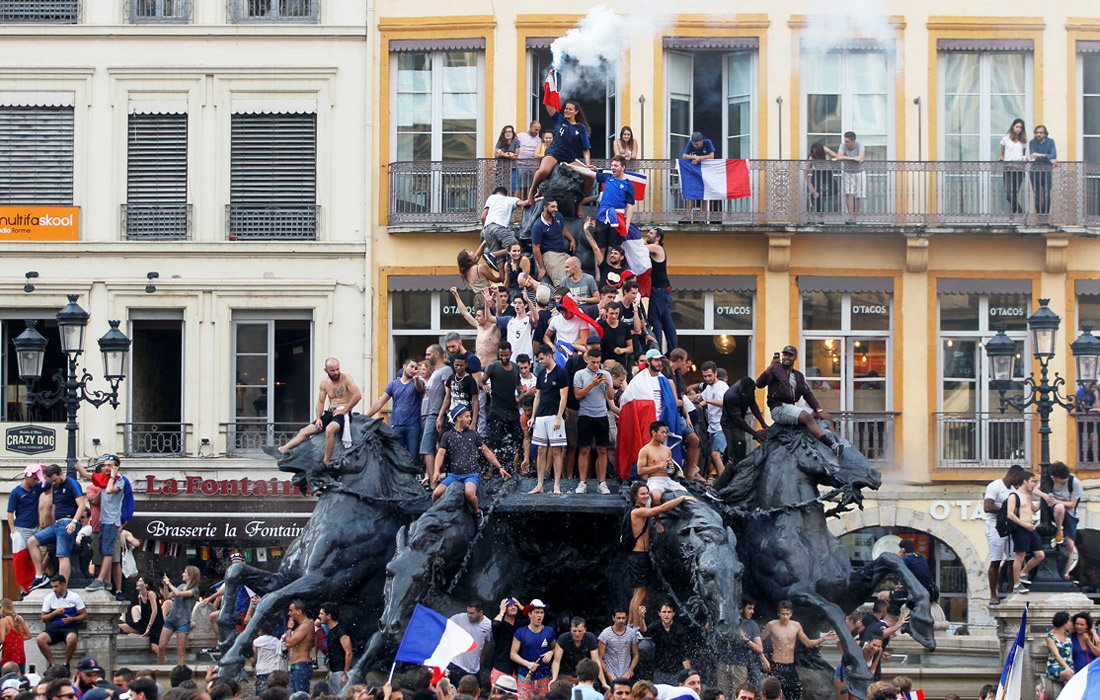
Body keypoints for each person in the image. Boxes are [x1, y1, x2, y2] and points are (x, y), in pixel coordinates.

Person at [625, 481, 697, 630]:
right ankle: (636, 628)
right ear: (635, 496)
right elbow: (661, 509)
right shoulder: (637, 512)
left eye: (647, 493)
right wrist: (681, 498)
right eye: (642, 494)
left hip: (640, 556)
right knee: (641, 592)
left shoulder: (638, 510)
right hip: (638, 556)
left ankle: (631, 624)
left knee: (639, 591)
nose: (646, 496)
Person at [266, 357, 362, 468]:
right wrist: (318, 418)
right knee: (304, 431)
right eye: (332, 370)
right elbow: (321, 402)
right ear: (326, 370)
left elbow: (357, 395)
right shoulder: (325, 383)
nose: (336, 372)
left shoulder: (346, 378)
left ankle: (326, 461)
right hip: (330, 413)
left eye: (337, 369)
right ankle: (281, 450)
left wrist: (346, 409)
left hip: (342, 413)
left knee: (330, 429)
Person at [756, 347, 842, 456]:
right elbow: (759, 384)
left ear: (795, 358)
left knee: (826, 416)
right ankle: (831, 445)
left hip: (793, 406)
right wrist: (770, 367)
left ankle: (837, 442)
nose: (787, 357)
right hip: (779, 407)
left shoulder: (798, 375)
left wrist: (819, 410)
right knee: (807, 417)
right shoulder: (775, 371)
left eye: (790, 355)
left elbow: (808, 394)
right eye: (785, 355)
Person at [432, 405, 509, 527]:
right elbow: (440, 454)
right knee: (436, 493)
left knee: (469, 493)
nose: (470, 419)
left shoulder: (473, 434)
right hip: (454, 475)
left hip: (471, 475)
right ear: (458, 418)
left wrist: (499, 467)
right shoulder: (447, 435)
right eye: (467, 416)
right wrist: (436, 471)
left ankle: (477, 512)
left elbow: (486, 451)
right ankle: (436, 514)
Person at [524, 91, 597, 217]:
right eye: (566, 108)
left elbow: (586, 149)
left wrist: (588, 164)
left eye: (570, 109)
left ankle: (579, 203)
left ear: (576, 112)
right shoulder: (559, 119)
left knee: (590, 177)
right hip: (554, 152)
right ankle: (531, 193)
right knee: (543, 171)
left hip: (569, 157)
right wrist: (549, 89)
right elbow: (548, 105)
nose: (567, 111)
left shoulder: (581, 128)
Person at [26, 464, 87, 590]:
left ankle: (62, 587)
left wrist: (74, 522)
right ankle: (39, 575)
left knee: (62, 555)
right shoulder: (54, 486)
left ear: (60, 474)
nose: (53, 483)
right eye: (51, 481)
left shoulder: (72, 484)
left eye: (55, 480)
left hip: (68, 522)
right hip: (57, 524)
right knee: (32, 542)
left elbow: (82, 505)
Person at [760, 601, 836, 700]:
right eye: (782, 614)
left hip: (790, 665)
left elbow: (808, 643)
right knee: (773, 693)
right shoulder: (771, 625)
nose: (785, 617)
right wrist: (763, 658)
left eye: (787, 614)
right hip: (776, 664)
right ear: (778, 613)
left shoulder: (796, 626)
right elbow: (759, 640)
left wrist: (824, 638)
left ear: (791, 613)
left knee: (795, 692)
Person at [711, 377, 768, 492]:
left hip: (738, 424)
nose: (744, 395)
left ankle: (735, 484)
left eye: (746, 394)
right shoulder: (732, 396)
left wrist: (763, 423)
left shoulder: (750, 390)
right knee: (734, 459)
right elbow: (738, 420)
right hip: (730, 425)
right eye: (742, 392)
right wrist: (755, 433)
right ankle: (716, 488)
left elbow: (753, 405)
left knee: (741, 456)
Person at [573, 347, 615, 495]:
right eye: (593, 362)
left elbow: (611, 396)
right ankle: (582, 482)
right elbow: (577, 395)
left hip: (601, 415)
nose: (596, 365)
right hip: (585, 415)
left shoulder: (606, 374)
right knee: (584, 449)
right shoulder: (580, 374)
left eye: (598, 362)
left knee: (602, 449)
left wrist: (607, 384)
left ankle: (602, 482)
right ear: (587, 360)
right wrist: (592, 384)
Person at [529, 345, 569, 495]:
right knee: (541, 449)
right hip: (541, 415)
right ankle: (540, 484)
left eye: (541, 359)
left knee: (556, 450)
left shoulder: (561, 372)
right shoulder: (541, 374)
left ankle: (556, 484)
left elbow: (564, 397)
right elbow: (537, 397)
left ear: (549, 356)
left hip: (554, 415)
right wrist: (533, 417)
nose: (540, 362)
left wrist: (559, 417)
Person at [364, 359, 424, 456]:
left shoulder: (418, 382)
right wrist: (365, 417)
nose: (413, 369)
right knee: (397, 456)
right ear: (404, 366)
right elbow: (380, 403)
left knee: (413, 455)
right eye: (411, 366)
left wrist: (416, 378)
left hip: (413, 425)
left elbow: (420, 389)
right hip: (397, 424)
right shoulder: (393, 384)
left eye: (416, 368)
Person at [984, 464, 1024, 605]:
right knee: (996, 560)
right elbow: (987, 506)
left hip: (1010, 528)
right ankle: (993, 594)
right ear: (1014, 475)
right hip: (995, 527)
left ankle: (1012, 592)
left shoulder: (1013, 491)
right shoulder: (995, 486)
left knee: (1013, 561)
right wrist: (1006, 510)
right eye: (1020, 478)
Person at [481, 342, 524, 473]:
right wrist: (484, 386)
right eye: (501, 355)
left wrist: (521, 392)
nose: (504, 358)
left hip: (512, 409)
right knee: (494, 441)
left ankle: (517, 468)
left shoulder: (516, 368)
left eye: (506, 355)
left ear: (510, 354)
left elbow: (518, 384)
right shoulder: (493, 367)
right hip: (497, 410)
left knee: (519, 439)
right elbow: (481, 381)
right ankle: (491, 470)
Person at [1041, 461, 1083, 581]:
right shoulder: (1049, 480)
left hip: (1069, 513)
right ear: (1054, 478)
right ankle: (1059, 530)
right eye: (1061, 481)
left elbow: (1073, 504)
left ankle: (1066, 573)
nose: (1062, 482)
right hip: (1055, 510)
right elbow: (1035, 491)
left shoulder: (1074, 482)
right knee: (1059, 507)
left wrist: (1056, 501)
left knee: (1070, 545)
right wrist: (1045, 496)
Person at [1007, 471, 1045, 593]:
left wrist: (1044, 498)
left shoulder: (1027, 496)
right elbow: (1010, 514)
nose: (1033, 484)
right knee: (1020, 557)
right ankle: (1017, 584)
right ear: (1025, 482)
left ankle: (1023, 573)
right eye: (1032, 481)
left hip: (1030, 528)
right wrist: (1024, 525)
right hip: (1021, 528)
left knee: (1040, 555)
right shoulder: (1014, 496)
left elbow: (1034, 509)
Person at [420, 345, 454, 482]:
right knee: (432, 447)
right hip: (426, 414)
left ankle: (433, 484)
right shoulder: (435, 371)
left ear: (437, 354)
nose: (426, 357)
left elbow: (448, 394)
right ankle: (435, 477)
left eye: (429, 354)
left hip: (434, 414)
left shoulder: (446, 370)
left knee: (426, 448)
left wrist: (440, 416)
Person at [37, 575, 86, 667]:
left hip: (69, 628)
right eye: (52, 587)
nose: (54, 589)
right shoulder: (49, 597)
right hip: (53, 628)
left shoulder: (74, 596)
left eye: (56, 586)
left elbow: (84, 615)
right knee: (40, 639)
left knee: (72, 639)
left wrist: (72, 619)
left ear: (64, 585)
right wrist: (54, 613)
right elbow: (43, 618)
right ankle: (52, 664)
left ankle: (66, 663)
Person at [510, 599, 555, 700]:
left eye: (542, 612)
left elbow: (556, 648)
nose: (539, 615)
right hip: (525, 676)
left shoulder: (549, 631)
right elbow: (513, 654)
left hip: (544, 676)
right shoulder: (520, 632)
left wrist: (551, 652)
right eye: (537, 612)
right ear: (530, 614)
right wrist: (527, 664)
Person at [593, 156, 637, 259]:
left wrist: (626, 226)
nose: (613, 167)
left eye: (616, 165)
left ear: (623, 167)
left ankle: (609, 268)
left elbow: (630, 207)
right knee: (600, 247)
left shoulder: (628, 185)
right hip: (603, 216)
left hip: (617, 217)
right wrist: (571, 167)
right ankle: (599, 269)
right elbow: (589, 173)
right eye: (612, 165)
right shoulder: (608, 177)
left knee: (612, 249)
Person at [693, 362, 730, 480]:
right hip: (712, 428)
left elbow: (725, 403)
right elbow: (698, 398)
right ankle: (721, 482)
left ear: (715, 373)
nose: (707, 379)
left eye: (709, 375)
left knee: (715, 454)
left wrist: (707, 401)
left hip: (722, 426)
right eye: (705, 376)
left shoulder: (722, 386)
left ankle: (723, 484)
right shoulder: (708, 388)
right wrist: (680, 398)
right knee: (712, 458)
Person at [159, 566, 199, 665]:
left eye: (185, 572)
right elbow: (167, 596)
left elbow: (179, 593)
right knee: (161, 646)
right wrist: (165, 586)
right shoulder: (181, 586)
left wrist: (169, 583)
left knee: (180, 650)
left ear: (191, 575)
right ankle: (159, 667)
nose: (182, 574)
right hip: (171, 619)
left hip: (183, 622)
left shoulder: (194, 590)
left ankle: (180, 669)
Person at [448, 601, 493, 687]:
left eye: (472, 613)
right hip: (457, 664)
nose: (468, 615)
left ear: (480, 612)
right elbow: (446, 626)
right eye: (468, 612)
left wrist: (480, 659)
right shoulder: (460, 618)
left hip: (473, 667)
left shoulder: (488, 625)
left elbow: (487, 642)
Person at [644, 228, 676, 353]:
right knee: (666, 321)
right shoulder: (656, 249)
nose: (648, 234)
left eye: (651, 233)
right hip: (661, 291)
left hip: (659, 291)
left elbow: (640, 249)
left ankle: (657, 351)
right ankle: (671, 350)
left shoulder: (657, 248)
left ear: (658, 238)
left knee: (655, 321)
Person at [531, 200, 575, 288]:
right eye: (553, 207)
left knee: (575, 272)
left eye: (556, 207)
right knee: (561, 283)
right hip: (550, 255)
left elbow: (563, 229)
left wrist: (572, 239)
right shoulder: (537, 226)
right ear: (545, 207)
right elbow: (536, 248)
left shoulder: (558, 216)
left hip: (563, 253)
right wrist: (542, 268)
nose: (556, 209)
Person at [119, 575, 163, 657]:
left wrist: (148, 628)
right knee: (120, 627)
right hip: (143, 624)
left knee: (154, 648)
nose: (137, 583)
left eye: (140, 581)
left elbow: (155, 611)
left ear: (146, 585)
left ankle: (165, 662)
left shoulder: (151, 594)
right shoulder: (140, 596)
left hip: (155, 625)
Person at [7, 465, 47, 555]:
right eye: (34, 479)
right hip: (22, 529)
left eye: (37, 479)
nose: (36, 481)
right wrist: (13, 531)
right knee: (23, 555)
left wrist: (45, 473)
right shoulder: (16, 492)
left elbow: (51, 481)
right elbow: (10, 512)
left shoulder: (37, 488)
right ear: (26, 476)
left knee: (43, 552)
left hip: (36, 528)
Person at [649, 602, 691, 685]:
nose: (666, 615)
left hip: (676, 671)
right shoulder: (655, 626)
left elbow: (684, 654)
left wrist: (689, 674)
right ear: (659, 613)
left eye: (669, 612)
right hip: (660, 670)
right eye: (664, 612)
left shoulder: (680, 630)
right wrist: (641, 619)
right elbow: (644, 633)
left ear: (673, 613)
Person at [550, 617, 601, 686]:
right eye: (574, 631)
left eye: (580, 631)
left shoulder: (590, 638)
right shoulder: (563, 638)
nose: (577, 634)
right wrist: (554, 678)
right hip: (567, 675)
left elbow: (596, 660)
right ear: (570, 630)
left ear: (585, 630)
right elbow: (556, 661)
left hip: (585, 675)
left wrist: (603, 682)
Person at [481, 187, 527, 261]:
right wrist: (537, 199)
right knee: (516, 247)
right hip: (499, 227)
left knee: (499, 260)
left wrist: (484, 229)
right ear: (506, 194)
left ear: (495, 192)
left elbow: (483, 217)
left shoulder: (491, 198)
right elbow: (524, 203)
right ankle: (493, 254)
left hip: (487, 229)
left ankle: (495, 256)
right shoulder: (510, 199)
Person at [439, 354, 479, 435]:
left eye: (461, 365)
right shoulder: (451, 378)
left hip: (465, 415)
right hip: (451, 415)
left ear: (466, 365)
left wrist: (474, 421)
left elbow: (475, 401)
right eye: (456, 365)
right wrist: (440, 417)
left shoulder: (470, 380)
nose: (458, 367)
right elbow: (447, 398)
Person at [317, 604, 352, 695]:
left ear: (329, 616)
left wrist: (345, 674)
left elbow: (349, 653)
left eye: (321, 614)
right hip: (334, 671)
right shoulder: (331, 631)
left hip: (340, 671)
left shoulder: (341, 631)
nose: (319, 616)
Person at [597, 608, 639, 682]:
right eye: (618, 618)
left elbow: (636, 655)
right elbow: (599, 656)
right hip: (610, 672)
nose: (621, 620)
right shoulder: (605, 634)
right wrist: (607, 673)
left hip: (626, 673)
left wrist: (629, 672)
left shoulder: (631, 633)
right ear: (613, 618)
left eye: (623, 618)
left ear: (626, 618)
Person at [283, 600, 315, 694]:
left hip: (301, 665)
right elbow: (313, 643)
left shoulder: (306, 625)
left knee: (300, 696)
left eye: (291, 611)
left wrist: (289, 628)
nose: (289, 614)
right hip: (297, 665)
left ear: (299, 611)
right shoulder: (303, 625)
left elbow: (289, 643)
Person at [834, 131, 865, 225]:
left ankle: (855, 218)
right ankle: (851, 217)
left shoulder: (860, 145)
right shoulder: (842, 146)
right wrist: (853, 158)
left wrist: (845, 158)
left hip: (859, 173)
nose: (845, 143)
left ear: (853, 141)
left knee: (858, 196)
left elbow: (861, 158)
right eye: (845, 141)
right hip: (847, 172)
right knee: (848, 194)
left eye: (847, 141)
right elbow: (839, 157)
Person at [491, 599, 525, 683]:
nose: (513, 607)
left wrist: (522, 607)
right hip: (501, 667)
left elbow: (533, 619)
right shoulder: (501, 625)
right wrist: (501, 611)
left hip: (514, 670)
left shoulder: (519, 625)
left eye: (515, 605)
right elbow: (495, 624)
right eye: (510, 606)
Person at [999, 118, 1028, 215]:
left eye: (1021, 127)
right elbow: (1002, 151)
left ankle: (1013, 214)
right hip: (1008, 169)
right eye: (1017, 126)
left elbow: (1023, 154)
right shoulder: (1006, 138)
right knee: (1009, 195)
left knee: (1015, 194)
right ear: (1013, 127)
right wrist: (1001, 156)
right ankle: (1020, 211)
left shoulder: (1023, 141)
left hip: (1019, 170)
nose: (1018, 129)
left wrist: (1025, 158)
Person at [682, 132, 715, 216]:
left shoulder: (707, 142)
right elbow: (684, 156)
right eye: (694, 144)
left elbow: (711, 156)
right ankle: (687, 216)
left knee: (705, 193)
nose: (695, 146)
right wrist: (695, 158)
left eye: (696, 144)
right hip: (694, 171)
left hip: (705, 171)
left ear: (701, 141)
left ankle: (703, 216)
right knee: (691, 192)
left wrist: (700, 158)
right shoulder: (690, 143)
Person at [1029, 125, 1057, 216]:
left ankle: (1045, 215)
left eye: (1040, 133)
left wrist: (1041, 155)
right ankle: (1039, 215)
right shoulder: (1032, 142)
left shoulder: (1050, 141)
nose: (1038, 134)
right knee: (1037, 195)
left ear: (1045, 134)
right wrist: (1049, 159)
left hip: (1047, 171)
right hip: (1035, 171)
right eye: (1037, 133)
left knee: (1046, 194)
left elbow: (1054, 155)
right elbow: (1033, 156)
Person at [253, 618, 288, 694]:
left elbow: (254, 659)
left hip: (261, 670)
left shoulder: (256, 642)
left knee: (261, 694)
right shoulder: (276, 641)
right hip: (274, 671)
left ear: (261, 630)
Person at [804, 142, 837, 221]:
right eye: (813, 152)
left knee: (835, 189)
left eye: (816, 152)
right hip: (817, 173)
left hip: (827, 173)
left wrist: (834, 158)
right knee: (816, 194)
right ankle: (820, 218)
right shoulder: (812, 157)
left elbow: (836, 156)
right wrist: (811, 187)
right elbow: (806, 173)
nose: (814, 154)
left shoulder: (825, 149)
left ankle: (820, 195)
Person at [1046, 611, 1075, 691]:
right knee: (1069, 675)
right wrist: (1066, 667)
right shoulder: (1050, 637)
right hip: (1056, 666)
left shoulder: (1068, 633)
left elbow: (1084, 628)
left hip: (1070, 666)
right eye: (1069, 621)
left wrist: (1094, 634)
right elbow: (1056, 655)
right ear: (1064, 622)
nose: (1071, 623)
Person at [0, 599, 28, 672]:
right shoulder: (19, 618)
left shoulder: (3, 621)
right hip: (20, 653)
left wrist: (9, 639)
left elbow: (1, 640)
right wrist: (17, 639)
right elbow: (28, 635)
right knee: (20, 673)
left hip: (8, 653)